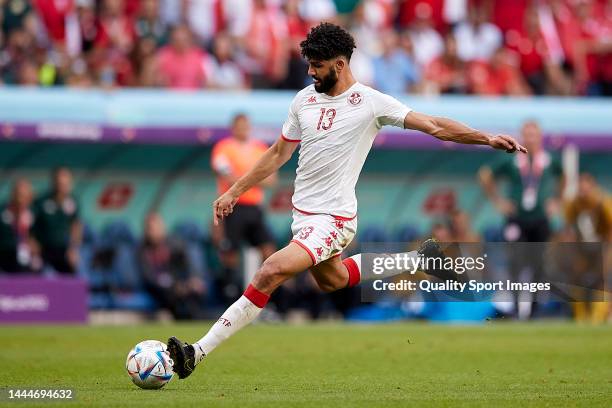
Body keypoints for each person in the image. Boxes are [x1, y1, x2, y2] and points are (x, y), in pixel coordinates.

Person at [167, 22, 527, 379]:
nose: (310, 72)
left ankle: (196, 352)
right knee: (333, 280)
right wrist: (233, 191)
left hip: (334, 218)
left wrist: (485, 138)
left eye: (317, 66)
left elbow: (433, 124)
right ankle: (420, 258)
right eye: (308, 64)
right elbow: (278, 153)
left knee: (269, 271)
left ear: (339, 65)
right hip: (304, 217)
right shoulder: (303, 100)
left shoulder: (371, 102)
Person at [210, 113, 277, 303]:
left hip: (254, 207)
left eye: (246, 125)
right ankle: (230, 295)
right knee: (230, 253)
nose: (243, 129)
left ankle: (270, 298)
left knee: (268, 250)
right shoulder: (224, 148)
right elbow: (224, 173)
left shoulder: (259, 148)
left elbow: (271, 179)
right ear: (233, 128)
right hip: (233, 207)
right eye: (239, 125)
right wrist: (253, 178)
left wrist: (242, 179)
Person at [139, 212, 207, 320]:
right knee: (175, 294)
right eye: (151, 229)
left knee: (193, 292)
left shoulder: (174, 245)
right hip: (158, 289)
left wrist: (191, 280)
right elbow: (148, 277)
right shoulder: (143, 250)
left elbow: (184, 267)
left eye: (158, 226)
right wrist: (174, 285)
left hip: (177, 285)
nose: (155, 231)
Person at [31, 167, 82, 274]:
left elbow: (76, 226)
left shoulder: (73, 202)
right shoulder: (41, 201)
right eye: (59, 183)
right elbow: (29, 225)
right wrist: (32, 243)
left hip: (64, 250)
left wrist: (73, 249)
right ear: (53, 182)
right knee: (33, 270)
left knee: (73, 269)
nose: (62, 186)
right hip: (42, 249)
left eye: (65, 183)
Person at [0, 178, 37, 273]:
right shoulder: (3, 212)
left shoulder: (35, 213)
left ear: (30, 197)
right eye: (18, 195)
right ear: (12, 195)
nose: (20, 200)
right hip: (5, 259)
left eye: (24, 196)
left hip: (28, 261)